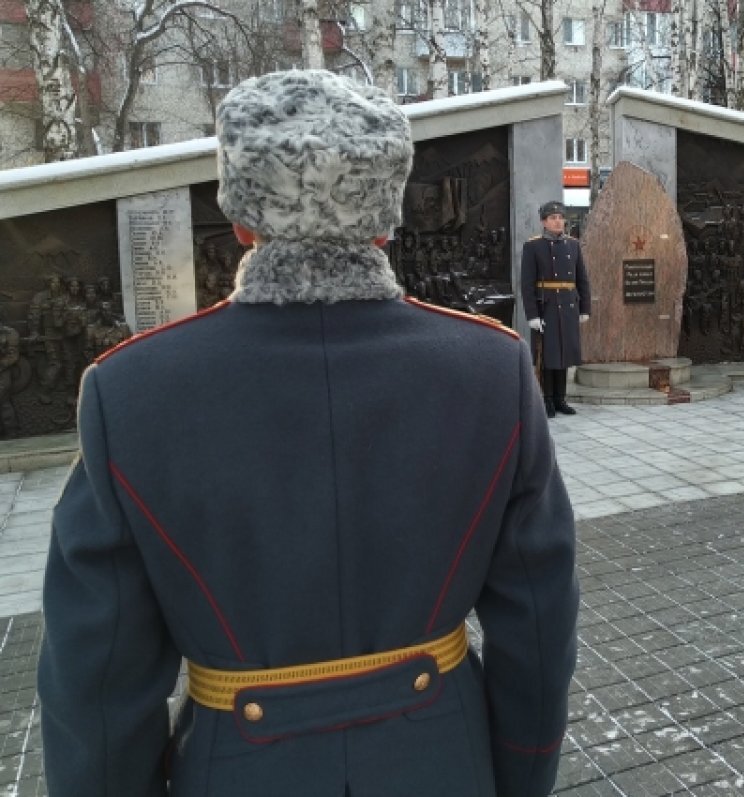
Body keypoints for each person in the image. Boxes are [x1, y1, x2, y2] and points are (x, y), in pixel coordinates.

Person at [38, 69, 578, 797]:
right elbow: (539, 628)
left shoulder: (128, 391)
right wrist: (519, 775)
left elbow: (94, 680)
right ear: (385, 220)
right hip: (443, 762)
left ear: (239, 219)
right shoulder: (493, 368)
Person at [520, 200, 591, 417]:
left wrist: (584, 308)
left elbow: (582, 280)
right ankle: (546, 399)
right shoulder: (533, 246)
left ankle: (561, 399)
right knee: (547, 355)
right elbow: (527, 282)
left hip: (569, 305)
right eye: (553, 218)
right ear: (544, 221)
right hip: (546, 305)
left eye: (560, 217)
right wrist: (532, 314)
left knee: (565, 355)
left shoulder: (573, 245)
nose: (558, 221)